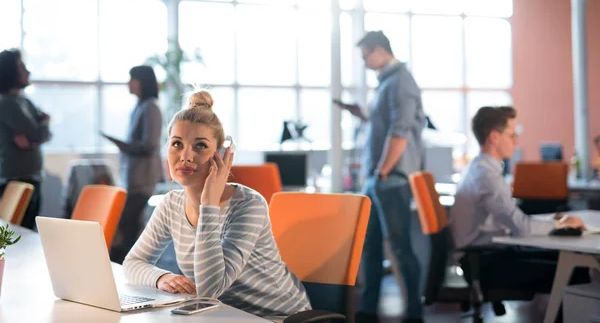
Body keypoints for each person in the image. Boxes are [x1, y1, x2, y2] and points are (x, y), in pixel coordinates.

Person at [122, 90, 311, 318]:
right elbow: (133, 262)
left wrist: (208, 203)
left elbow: (210, 288)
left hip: (277, 316)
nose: (185, 156)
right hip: (222, 315)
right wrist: (161, 277)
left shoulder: (248, 206)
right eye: (177, 144)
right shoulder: (171, 204)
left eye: (200, 145)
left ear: (220, 154)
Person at [336, 31, 425, 323]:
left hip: (390, 178)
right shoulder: (387, 83)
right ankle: (368, 309)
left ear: (379, 50)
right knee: (370, 245)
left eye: (365, 56)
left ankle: (414, 310)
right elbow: (386, 126)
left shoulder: (401, 82)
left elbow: (400, 133)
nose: (364, 63)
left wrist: (383, 171)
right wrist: (363, 116)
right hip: (378, 178)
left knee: (400, 247)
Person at [449, 106, 588, 293]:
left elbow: (513, 221)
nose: (516, 142)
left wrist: (552, 222)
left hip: (486, 255)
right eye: (512, 135)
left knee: (565, 258)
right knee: (576, 271)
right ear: (494, 137)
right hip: (485, 263)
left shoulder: (479, 168)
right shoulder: (487, 177)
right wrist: (560, 225)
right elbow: (521, 227)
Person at [106, 65, 163, 263]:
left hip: (143, 178)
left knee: (126, 227)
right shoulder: (139, 107)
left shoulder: (150, 107)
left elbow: (150, 144)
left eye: (132, 79)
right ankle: (130, 269)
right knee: (131, 227)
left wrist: (125, 146)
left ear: (142, 82)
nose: (129, 83)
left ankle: (123, 268)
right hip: (134, 177)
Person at [0, 48, 51, 230]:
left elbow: (43, 134)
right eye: (22, 67)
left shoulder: (24, 101)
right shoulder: (7, 103)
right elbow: (38, 132)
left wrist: (35, 137)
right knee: (15, 235)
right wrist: (42, 125)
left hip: (31, 177)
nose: (27, 71)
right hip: (15, 179)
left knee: (27, 233)